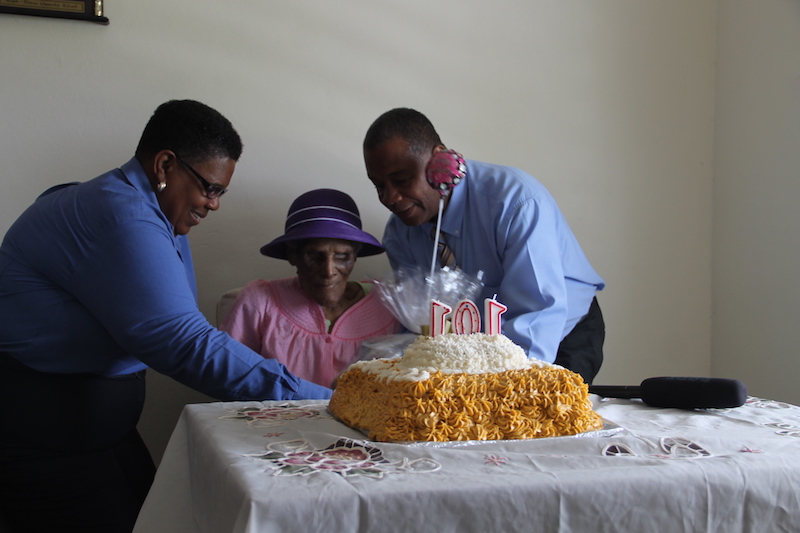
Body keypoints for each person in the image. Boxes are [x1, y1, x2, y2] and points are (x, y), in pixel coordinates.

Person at [0, 100, 330, 533]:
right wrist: (319, 398)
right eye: (209, 188)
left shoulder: (148, 212)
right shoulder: (122, 214)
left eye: (221, 192)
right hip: (45, 439)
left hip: (92, 434)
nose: (214, 205)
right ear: (165, 165)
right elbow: (184, 341)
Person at [363, 108, 606, 383]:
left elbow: (537, 315)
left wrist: (501, 386)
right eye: (378, 186)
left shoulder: (515, 203)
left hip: (559, 332)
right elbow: (424, 323)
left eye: (402, 180)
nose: (391, 198)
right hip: (476, 352)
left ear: (439, 159)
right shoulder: (398, 235)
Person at [220, 189, 401, 389]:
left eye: (342, 256)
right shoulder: (260, 301)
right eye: (315, 256)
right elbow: (227, 380)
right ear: (292, 255)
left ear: (355, 256)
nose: (329, 271)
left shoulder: (389, 305)